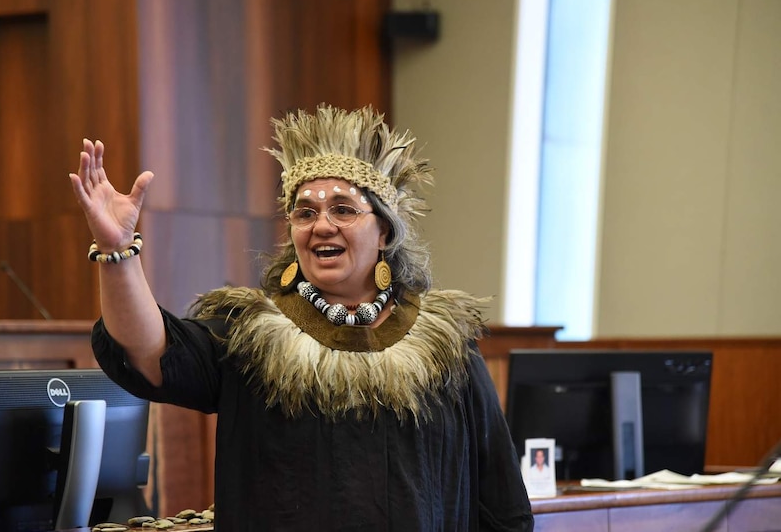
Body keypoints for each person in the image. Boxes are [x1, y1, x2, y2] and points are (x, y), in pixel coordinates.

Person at [70, 104, 534, 531]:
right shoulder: (252, 336)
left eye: (343, 209)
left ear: (385, 231)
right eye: (305, 212)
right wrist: (118, 252)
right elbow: (150, 354)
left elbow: (502, 506)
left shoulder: (444, 348)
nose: (321, 225)